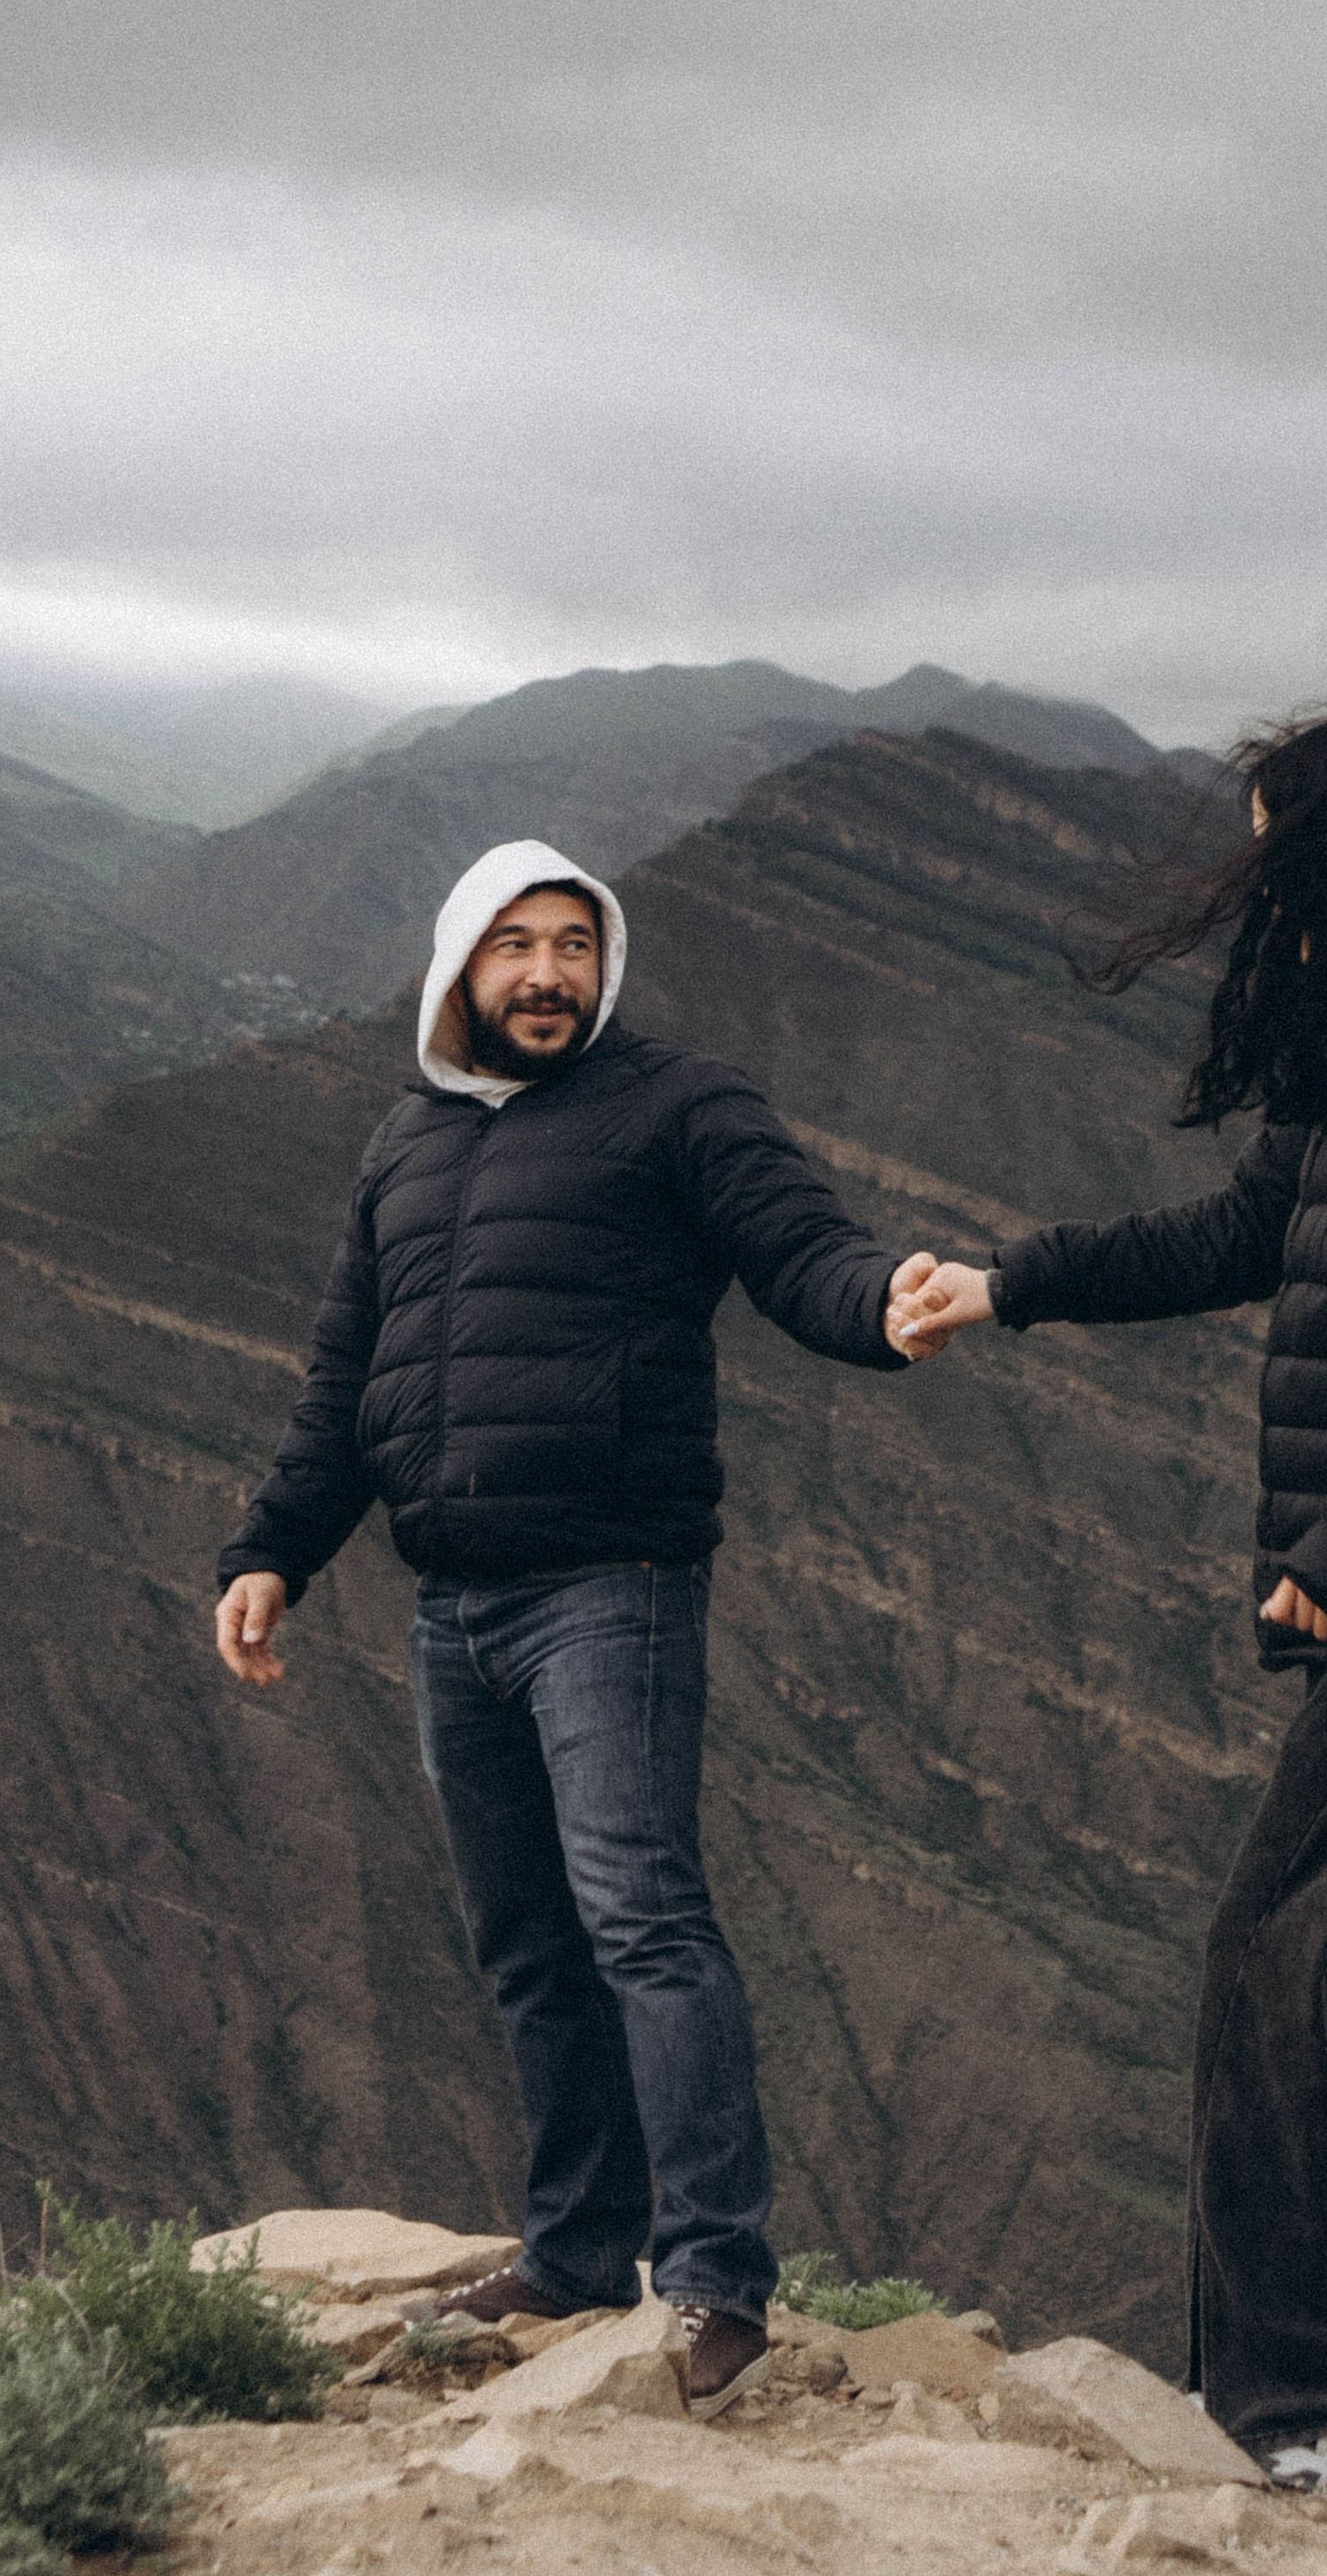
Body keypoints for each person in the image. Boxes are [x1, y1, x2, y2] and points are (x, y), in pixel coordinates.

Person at [893, 710, 1327, 2505]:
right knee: (1312, 1958)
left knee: (1273, 1954)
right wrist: (1009, 1283)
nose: (1258, 889)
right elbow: (1238, 1235)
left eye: (1280, 851)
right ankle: (1308, 2398)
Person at [215, 839, 941, 2419]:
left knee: (643, 1922)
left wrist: (884, 1300)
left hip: (611, 1588)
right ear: (460, 968)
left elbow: (801, 1249)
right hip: (452, 1607)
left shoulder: (677, 1104)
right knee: (530, 1945)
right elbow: (347, 1381)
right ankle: (573, 2251)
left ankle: (715, 2277)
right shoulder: (405, 1147)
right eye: (515, 946)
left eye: (573, 945)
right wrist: (273, 1550)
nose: (548, 974)